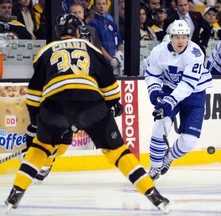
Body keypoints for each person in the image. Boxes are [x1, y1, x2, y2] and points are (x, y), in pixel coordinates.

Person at [4, 13, 170, 214]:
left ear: (58, 33)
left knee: (40, 148)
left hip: (55, 105)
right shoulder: (90, 48)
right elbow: (109, 82)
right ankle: (153, 194)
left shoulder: (45, 52)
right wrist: (113, 103)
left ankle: (16, 192)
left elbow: (34, 94)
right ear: (77, 31)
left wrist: (36, 122)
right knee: (118, 153)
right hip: (91, 104)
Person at [144, 20, 213, 180]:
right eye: (177, 37)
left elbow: (187, 85)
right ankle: (154, 168)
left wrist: (168, 102)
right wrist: (155, 92)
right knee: (160, 127)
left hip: (194, 94)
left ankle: (168, 158)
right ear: (170, 37)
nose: (181, 41)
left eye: (184, 37)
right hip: (169, 89)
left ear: (189, 37)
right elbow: (152, 75)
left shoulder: (195, 53)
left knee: (189, 141)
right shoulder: (158, 52)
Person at [88, 0, 124, 75]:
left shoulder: (111, 23)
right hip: (101, 63)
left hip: (115, 61)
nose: (101, 6)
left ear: (107, 5)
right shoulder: (92, 24)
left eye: (104, 4)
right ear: (94, 6)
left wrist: (118, 55)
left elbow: (120, 42)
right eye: (98, 4)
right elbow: (97, 45)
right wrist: (111, 60)